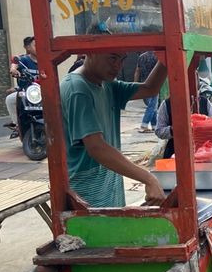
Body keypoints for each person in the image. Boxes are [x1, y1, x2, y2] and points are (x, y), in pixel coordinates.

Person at [60, 27, 168, 208]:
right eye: (112, 58)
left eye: (122, 59)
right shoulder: (78, 89)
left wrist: (167, 55)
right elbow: (96, 146)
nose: (118, 65)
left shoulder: (108, 85)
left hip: (109, 184)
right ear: (89, 52)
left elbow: (150, 88)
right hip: (86, 194)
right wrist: (148, 178)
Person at [155, 93, 212, 159]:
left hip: (203, 150)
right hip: (175, 150)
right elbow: (159, 131)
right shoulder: (167, 104)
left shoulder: (204, 102)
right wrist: (174, 129)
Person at [5, 36, 38, 138]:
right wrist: (14, 70)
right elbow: (14, 64)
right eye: (36, 45)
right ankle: (18, 125)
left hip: (42, 92)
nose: (39, 47)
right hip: (26, 92)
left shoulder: (45, 60)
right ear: (28, 48)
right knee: (10, 99)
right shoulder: (23, 60)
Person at [134, 50, 159, 132]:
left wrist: (135, 84)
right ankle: (144, 124)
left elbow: (137, 71)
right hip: (154, 83)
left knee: (152, 105)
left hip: (143, 83)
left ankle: (154, 125)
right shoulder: (157, 56)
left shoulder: (141, 57)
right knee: (152, 106)